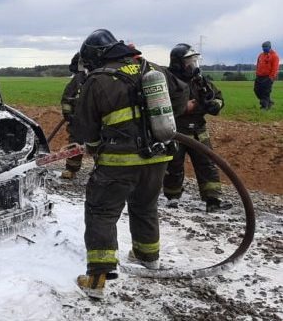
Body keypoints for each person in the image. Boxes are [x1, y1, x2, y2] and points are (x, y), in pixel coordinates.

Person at [73, 29, 188, 299]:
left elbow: (85, 127)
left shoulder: (99, 80)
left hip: (118, 160)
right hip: (158, 156)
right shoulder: (151, 68)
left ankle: (96, 280)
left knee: (101, 211)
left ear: (96, 57)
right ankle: (149, 258)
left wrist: (92, 145)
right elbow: (181, 98)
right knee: (145, 205)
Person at [163, 44, 231, 213]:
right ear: (178, 63)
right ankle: (172, 197)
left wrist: (214, 104)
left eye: (194, 61)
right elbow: (160, 105)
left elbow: (218, 97)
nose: (192, 65)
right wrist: (183, 107)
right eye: (188, 61)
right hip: (176, 130)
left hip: (198, 130)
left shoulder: (199, 80)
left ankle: (213, 200)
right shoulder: (169, 80)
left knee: (207, 164)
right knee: (173, 165)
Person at [59, 52, 87, 179]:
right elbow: (67, 99)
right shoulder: (78, 79)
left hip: (94, 119)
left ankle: (101, 169)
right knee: (75, 143)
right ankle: (71, 170)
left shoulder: (98, 78)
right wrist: (68, 115)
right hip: (78, 119)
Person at [254, 41, 279, 110]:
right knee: (256, 90)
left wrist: (271, 77)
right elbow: (258, 65)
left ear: (270, 47)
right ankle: (269, 102)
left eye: (266, 47)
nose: (264, 48)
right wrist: (257, 73)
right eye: (263, 47)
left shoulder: (274, 56)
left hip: (268, 77)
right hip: (259, 76)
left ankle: (264, 106)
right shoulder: (260, 55)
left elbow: (275, 68)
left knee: (265, 92)